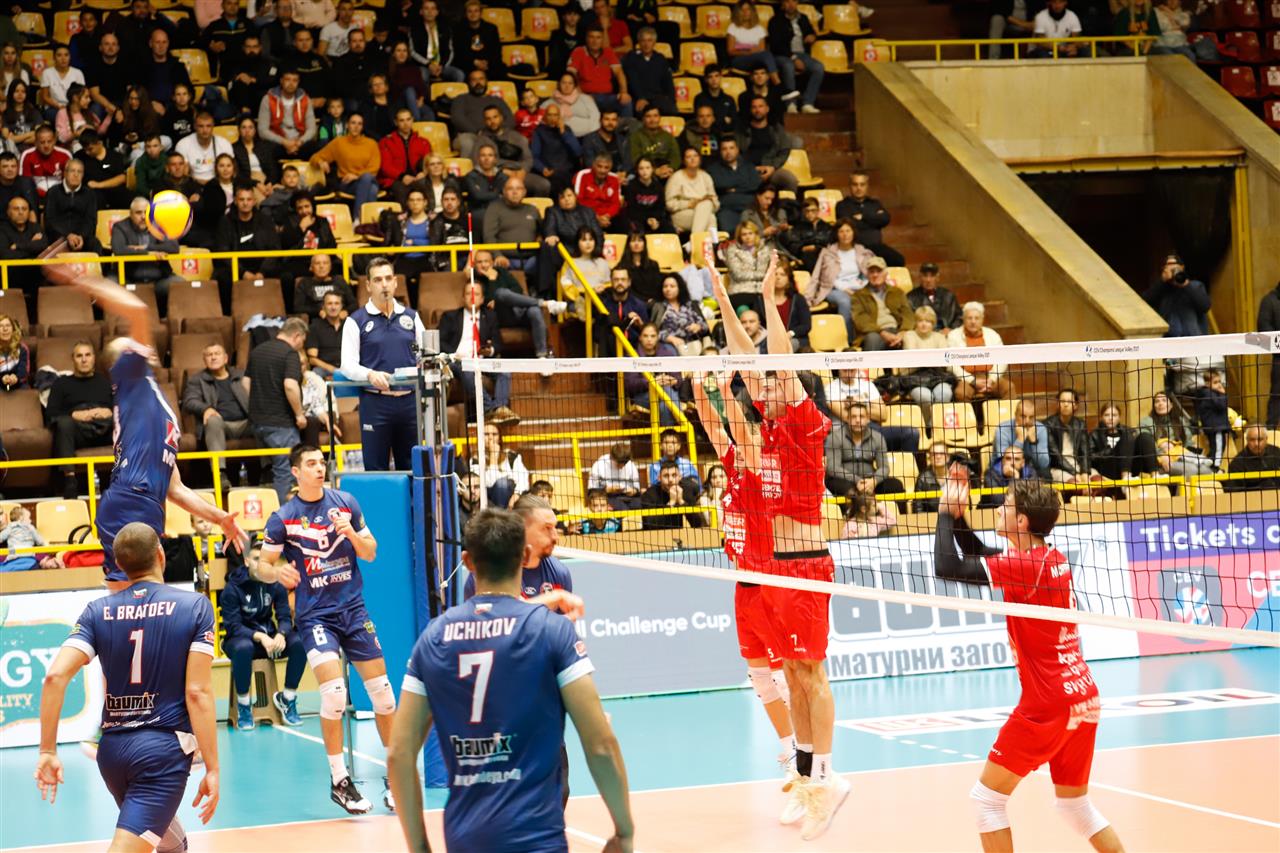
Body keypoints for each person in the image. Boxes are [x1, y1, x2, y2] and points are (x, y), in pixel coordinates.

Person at [388, 507, 634, 853]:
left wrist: (419, 848)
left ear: (467, 562)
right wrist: (624, 831)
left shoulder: (434, 637)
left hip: (465, 840)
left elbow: (399, 753)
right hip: (537, 840)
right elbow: (601, 743)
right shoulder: (551, 630)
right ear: (525, 555)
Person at [712, 249, 848, 838]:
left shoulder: (804, 423)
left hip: (806, 565)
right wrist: (722, 296)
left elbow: (776, 362)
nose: (762, 385)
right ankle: (806, 777)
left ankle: (828, 780)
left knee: (811, 676)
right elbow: (747, 361)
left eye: (771, 381)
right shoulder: (766, 432)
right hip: (773, 570)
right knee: (790, 676)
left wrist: (769, 299)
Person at [934, 473, 1124, 853]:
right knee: (1075, 806)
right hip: (1083, 696)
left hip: (1048, 703)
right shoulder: (1046, 559)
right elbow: (978, 553)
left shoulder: (1023, 566)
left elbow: (947, 566)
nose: (998, 509)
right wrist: (957, 519)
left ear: (1021, 521)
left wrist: (941, 514)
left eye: (1005, 506)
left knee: (986, 801)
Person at [40, 270, 248, 588]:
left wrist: (219, 517)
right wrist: (84, 281)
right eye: (134, 345)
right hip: (132, 499)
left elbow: (175, 489)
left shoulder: (150, 400)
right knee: (143, 596)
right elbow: (138, 310)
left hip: (141, 501)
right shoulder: (130, 375)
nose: (144, 345)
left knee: (137, 600)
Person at [35, 523, 220, 853]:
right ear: (160, 554)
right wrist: (213, 768)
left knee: (167, 840)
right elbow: (197, 692)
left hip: (112, 754)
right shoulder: (195, 606)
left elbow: (54, 678)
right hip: (160, 753)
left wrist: (47, 751)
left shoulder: (97, 611)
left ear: (119, 564)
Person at [253, 444, 395, 813]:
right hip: (316, 616)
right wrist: (277, 573)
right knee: (333, 694)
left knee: (383, 695)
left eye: (322, 462)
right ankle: (339, 780)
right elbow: (261, 566)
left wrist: (351, 534)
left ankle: (395, 775)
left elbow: (371, 552)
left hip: (354, 610)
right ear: (296, 472)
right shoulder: (283, 518)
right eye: (312, 464)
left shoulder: (346, 503)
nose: (320, 468)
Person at [691, 370, 801, 783]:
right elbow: (712, 427)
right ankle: (789, 746)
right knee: (760, 679)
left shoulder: (759, 476)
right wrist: (697, 387)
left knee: (783, 679)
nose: (740, 445)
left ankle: (808, 753)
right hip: (744, 588)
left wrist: (725, 389)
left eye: (748, 440)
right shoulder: (734, 470)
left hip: (771, 587)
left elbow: (737, 431)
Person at [340, 256, 427, 471]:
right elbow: (347, 365)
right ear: (368, 285)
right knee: (375, 468)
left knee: (413, 468)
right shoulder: (355, 321)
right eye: (378, 280)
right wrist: (370, 374)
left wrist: (424, 365)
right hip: (375, 402)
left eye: (388, 278)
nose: (384, 284)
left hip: (410, 402)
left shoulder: (412, 317)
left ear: (396, 282)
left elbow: (425, 355)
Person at [222, 543, 307, 730]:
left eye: (264, 561)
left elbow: (284, 617)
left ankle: (287, 699)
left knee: (300, 642)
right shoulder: (232, 588)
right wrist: (260, 636)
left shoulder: (275, 585)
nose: (260, 564)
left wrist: (281, 634)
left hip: (269, 639)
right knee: (244, 647)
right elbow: (233, 626)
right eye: (255, 559)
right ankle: (244, 705)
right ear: (246, 561)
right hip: (239, 640)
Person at [439, 279, 519, 426]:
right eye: (468, 293)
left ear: (482, 299)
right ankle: (490, 409)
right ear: (463, 297)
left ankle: (500, 408)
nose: (472, 297)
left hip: (482, 360)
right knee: (468, 371)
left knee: (504, 369)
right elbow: (440, 342)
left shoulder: (490, 317)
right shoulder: (449, 317)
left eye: (476, 294)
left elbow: (498, 343)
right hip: (458, 361)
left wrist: (490, 350)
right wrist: (455, 355)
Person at [45, 341, 114, 498]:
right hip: (77, 433)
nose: (84, 360)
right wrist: (73, 414)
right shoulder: (61, 384)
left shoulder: (106, 382)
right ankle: (70, 482)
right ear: (73, 359)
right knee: (64, 423)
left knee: (126, 422)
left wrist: (109, 411)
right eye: (79, 356)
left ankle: (129, 478)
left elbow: (123, 408)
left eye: (87, 355)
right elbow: (50, 414)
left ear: (94, 358)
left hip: (105, 430)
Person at [470, 248, 566, 360]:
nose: (483, 265)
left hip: (517, 312)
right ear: (475, 265)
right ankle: (544, 303)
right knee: (500, 293)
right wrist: (491, 281)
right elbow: (485, 301)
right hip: (499, 317)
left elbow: (518, 290)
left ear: (492, 262)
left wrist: (503, 298)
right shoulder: (476, 279)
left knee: (534, 310)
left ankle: (542, 355)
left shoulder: (502, 272)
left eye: (486, 261)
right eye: (479, 262)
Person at [182, 343, 253, 488]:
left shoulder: (240, 376)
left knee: (263, 420)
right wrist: (206, 409)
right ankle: (220, 474)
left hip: (246, 423)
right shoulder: (197, 380)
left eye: (217, 354)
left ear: (226, 358)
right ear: (204, 360)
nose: (213, 357)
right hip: (220, 425)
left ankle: (268, 470)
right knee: (212, 420)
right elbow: (189, 401)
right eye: (209, 355)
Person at [110, 196, 183, 312]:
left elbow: (173, 247)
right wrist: (149, 253)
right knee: (111, 284)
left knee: (181, 284)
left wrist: (146, 247)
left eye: (146, 212)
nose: (143, 216)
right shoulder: (120, 227)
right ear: (130, 214)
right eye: (138, 213)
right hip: (129, 279)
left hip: (158, 280)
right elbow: (119, 250)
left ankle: (174, 321)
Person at [806, 217, 872, 342]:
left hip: (858, 287)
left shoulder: (861, 251)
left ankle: (867, 337)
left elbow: (868, 273)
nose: (845, 234)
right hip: (833, 289)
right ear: (836, 234)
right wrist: (845, 289)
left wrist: (861, 285)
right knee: (845, 301)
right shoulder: (828, 252)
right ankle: (847, 341)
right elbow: (823, 277)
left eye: (848, 231)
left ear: (853, 232)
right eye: (841, 231)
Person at [834, 172, 904, 267]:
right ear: (850, 186)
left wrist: (863, 217)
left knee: (898, 260)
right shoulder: (842, 205)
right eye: (855, 184)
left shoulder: (875, 203)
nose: (859, 188)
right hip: (855, 248)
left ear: (867, 186)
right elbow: (851, 224)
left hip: (876, 247)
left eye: (862, 184)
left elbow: (885, 219)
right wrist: (874, 220)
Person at [948, 302, 1014, 402]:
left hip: (990, 376)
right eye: (969, 318)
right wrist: (973, 381)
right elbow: (951, 365)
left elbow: (1002, 360)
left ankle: (1006, 413)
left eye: (977, 318)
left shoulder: (992, 334)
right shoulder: (953, 336)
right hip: (966, 379)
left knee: (1008, 387)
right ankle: (969, 413)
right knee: (961, 393)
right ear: (963, 319)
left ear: (982, 319)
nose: (973, 321)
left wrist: (992, 379)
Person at [768, 0, 825, 113]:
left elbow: (811, 32)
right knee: (788, 66)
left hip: (802, 54)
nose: (791, 4)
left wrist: (812, 36)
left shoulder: (803, 18)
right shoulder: (775, 20)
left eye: (793, 1)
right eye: (787, 1)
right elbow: (776, 45)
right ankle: (791, 104)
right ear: (783, 4)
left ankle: (807, 103)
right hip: (782, 55)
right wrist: (793, 58)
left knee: (818, 67)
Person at [899, 305, 954, 413]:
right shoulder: (909, 335)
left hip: (937, 377)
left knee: (945, 393)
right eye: (920, 321)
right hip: (914, 378)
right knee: (925, 397)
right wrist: (935, 359)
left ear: (933, 323)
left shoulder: (939, 337)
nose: (924, 324)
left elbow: (946, 361)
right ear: (916, 322)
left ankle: (938, 422)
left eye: (928, 321)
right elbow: (913, 359)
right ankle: (928, 422)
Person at [851, 257, 913, 352]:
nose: (875, 275)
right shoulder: (858, 295)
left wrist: (903, 332)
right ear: (867, 275)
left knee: (911, 337)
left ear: (885, 274)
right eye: (872, 272)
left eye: (879, 271)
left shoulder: (897, 292)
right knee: (873, 339)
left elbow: (907, 314)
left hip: (896, 330)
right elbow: (861, 320)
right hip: (874, 332)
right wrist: (882, 332)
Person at [569, 26, 632, 118]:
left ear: (602, 39)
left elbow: (619, 73)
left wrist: (624, 92)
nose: (595, 41)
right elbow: (571, 75)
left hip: (607, 96)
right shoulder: (579, 51)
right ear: (586, 39)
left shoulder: (608, 52)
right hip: (587, 95)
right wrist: (582, 96)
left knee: (627, 102)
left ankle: (624, 127)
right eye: (591, 37)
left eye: (598, 37)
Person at [1143, 254, 1208, 337]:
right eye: (1167, 265)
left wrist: (1185, 284)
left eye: (1173, 264)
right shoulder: (1161, 289)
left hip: (1193, 339)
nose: (1171, 267)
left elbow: (1205, 306)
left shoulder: (1195, 286)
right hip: (1169, 340)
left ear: (1182, 267)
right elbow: (1145, 303)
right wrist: (1162, 281)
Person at [43, 159, 99, 253]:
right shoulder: (53, 192)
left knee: (95, 244)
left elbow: (91, 220)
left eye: (79, 172)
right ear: (65, 173)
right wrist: (67, 235)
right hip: (58, 237)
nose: (76, 174)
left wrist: (81, 236)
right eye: (72, 171)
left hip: (82, 238)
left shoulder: (90, 194)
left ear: (83, 175)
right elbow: (50, 220)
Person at [1045, 388, 1096, 491]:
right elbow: (1056, 456)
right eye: (1062, 401)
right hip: (1058, 468)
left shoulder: (1080, 424)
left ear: (1075, 405)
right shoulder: (1048, 424)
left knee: (1098, 483)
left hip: (1079, 466)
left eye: (1069, 401)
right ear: (1058, 404)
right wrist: (1075, 474)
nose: (1066, 404)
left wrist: (1085, 473)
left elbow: (1085, 452)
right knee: (1076, 487)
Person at [622, 26, 676, 115]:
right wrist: (640, 97)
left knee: (671, 109)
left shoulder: (660, 59)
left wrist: (671, 99)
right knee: (640, 110)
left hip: (657, 97)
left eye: (649, 40)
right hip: (638, 97)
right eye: (643, 41)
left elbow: (668, 81)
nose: (646, 44)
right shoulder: (631, 57)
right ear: (639, 42)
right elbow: (632, 80)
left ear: (654, 42)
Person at [652, 274, 710, 356]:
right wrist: (669, 338)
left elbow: (706, 327)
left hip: (693, 343)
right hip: (669, 344)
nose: (668, 289)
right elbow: (652, 331)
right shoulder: (659, 306)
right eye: (665, 286)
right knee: (670, 352)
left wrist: (698, 327)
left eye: (672, 286)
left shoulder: (691, 305)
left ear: (680, 288)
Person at [665, 147, 718, 235]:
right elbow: (669, 204)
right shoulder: (676, 177)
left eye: (695, 156)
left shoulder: (706, 176)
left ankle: (695, 239)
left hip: (703, 212)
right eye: (688, 157)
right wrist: (689, 204)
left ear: (700, 159)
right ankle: (711, 242)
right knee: (710, 217)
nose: (692, 159)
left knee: (708, 210)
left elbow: (715, 202)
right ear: (684, 161)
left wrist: (702, 204)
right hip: (681, 214)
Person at [993, 399, 1051, 478]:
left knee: (1045, 474)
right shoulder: (1002, 429)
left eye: (1031, 417)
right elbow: (1006, 462)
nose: (1027, 421)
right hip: (1004, 471)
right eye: (1023, 416)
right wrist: (1020, 440)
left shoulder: (1041, 429)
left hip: (1031, 470)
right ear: (1015, 415)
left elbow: (1044, 464)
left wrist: (1034, 443)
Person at [640, 460, 702, 529]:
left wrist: (682, 502)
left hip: (678, 533)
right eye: (666, 476)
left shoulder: (686, 491)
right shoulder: (649, 494)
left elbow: (697, 523)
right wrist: (671, 503)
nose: (670, 480)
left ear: (680, 477)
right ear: (659, 478)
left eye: (674, 475)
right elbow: (650, 525)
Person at [906, 262, 961, 334]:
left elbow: (959, 317)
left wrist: (951, 329)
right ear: (920, 277)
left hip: (948, 334)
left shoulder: (949, 296)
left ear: (937, 277)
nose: (928, 280)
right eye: (925, 276)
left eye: (932, 276)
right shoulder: (911, 298)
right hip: (923, 335)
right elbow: (909, 322)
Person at [1089, 403, 1136, 485]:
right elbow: (1090, 457)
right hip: (1107, 468)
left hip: (1128, 467)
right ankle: (1125, 480)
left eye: (1114, 415)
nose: (1110, 418)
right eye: (1106, 415)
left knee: (1143, 436)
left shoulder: (1128, 432)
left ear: (1119, 417)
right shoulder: (1095, 434)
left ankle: (1155, 475)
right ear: (1101, 417)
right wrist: (1107, 451)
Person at [574, 152, 623, 230]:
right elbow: (578, 201)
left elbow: (615, 203)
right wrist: (596, 217)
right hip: (587, 216)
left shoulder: (614, 179)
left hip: (608, 218)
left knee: (623, 222)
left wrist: (607, 216)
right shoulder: (583, 175)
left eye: (606, 167)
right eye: (599, 166)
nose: (602, 170)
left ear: (610, 168)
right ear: (593, 165)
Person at [1223, 425, 1280, 492]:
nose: (1256, 444)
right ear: (1247, 440)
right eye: (1252, 440)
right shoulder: (1237, 464)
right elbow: (1233, 493)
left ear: (1266, 439)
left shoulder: (1276, 452)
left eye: (1260, 439)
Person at [589, 440, 642, 511]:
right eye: (618, 464)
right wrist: (607, 490)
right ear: (611, 458)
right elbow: (591, 491)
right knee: (622, 509)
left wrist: (634, 491)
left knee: (642, 504)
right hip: (608, 497)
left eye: (624, 464)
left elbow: (637, 489)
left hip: (629, 497)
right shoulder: (599, 465)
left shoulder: (631, 465)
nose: (621, 467)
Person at [1259, 280, 1280, 428]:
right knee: (1277, 398)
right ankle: (1271, 432)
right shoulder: (1269, 301)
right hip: (1279, 359)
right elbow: (1264, 333)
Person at [913, 441, 953, 513]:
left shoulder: (957, 476)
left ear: (948, 457)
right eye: (934, 454)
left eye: (941, 453)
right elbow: (918, 508)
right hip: (931, 518)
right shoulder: (923, 479)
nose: (938, 457)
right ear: (929, 458)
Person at [0, 313, 30, 390]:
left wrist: (16, 377)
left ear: (13, 329)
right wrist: (2, 378)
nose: (5, 329)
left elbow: (24, 370)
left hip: (18, 384)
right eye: (1, 326)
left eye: (8, 325)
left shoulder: (22, 348)